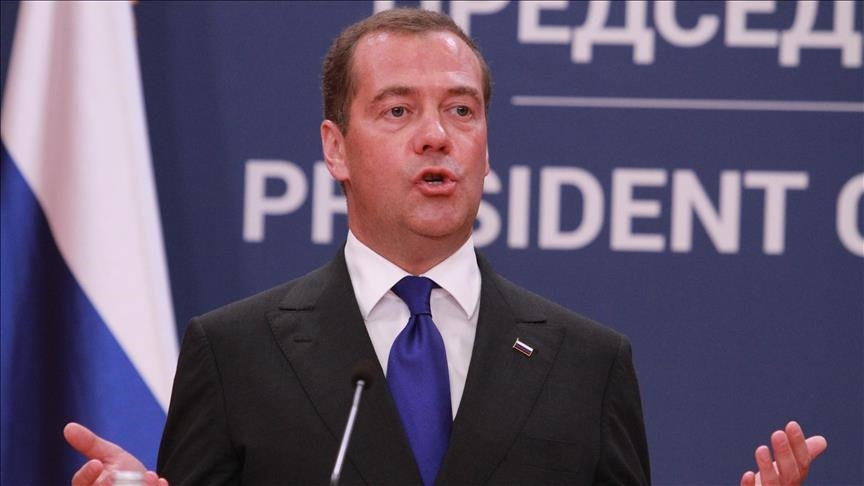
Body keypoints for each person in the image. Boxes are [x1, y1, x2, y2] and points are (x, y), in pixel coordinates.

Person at [64, 8, 827, 486]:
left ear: (486, 148)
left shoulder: (588, 365)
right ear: (335, 148)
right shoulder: (236, 354)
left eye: (461, 110)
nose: (436, 135)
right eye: (398, 111)